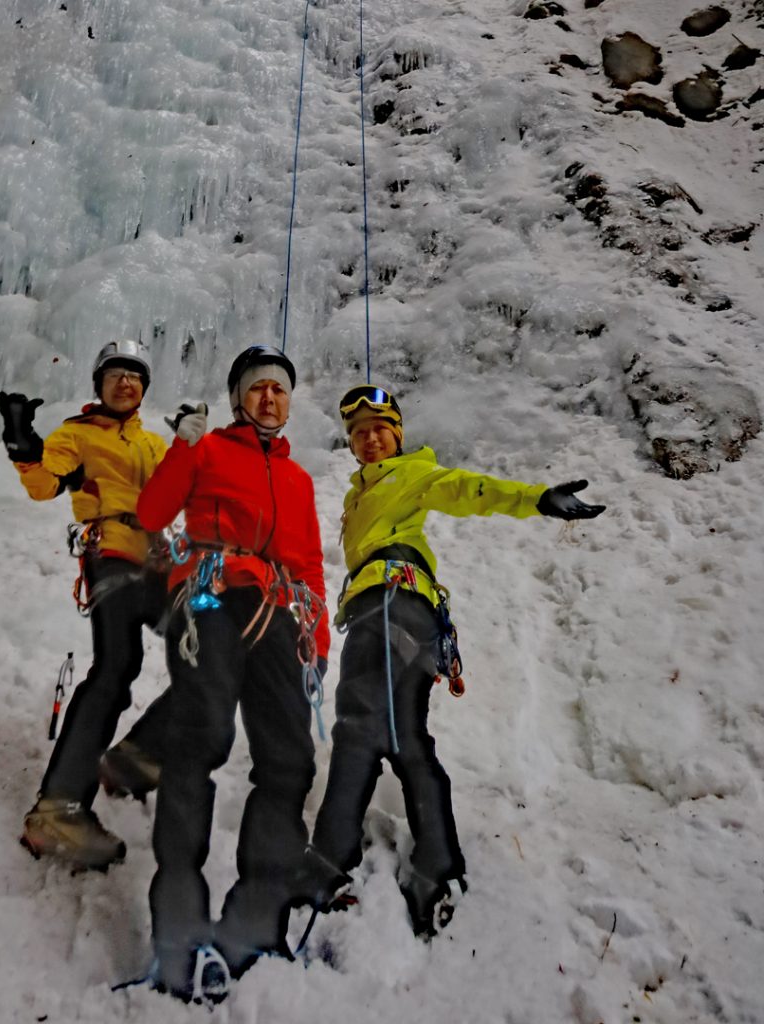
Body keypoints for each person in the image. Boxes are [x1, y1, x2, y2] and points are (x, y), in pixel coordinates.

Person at [307, 384, 606, 938]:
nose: (371, 439)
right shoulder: (359, 494)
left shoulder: (413, 474)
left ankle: (334, 862)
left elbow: (468, 488)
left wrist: (535, 497)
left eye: (380, 429)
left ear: (398, 435)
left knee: (361, 731)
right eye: (359, 433)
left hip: (392, 606)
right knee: (399, 738)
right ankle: (435, 870)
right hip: (398, 614)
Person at [135, 344, 330, 1001]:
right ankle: (178, 932)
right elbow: (152, 514)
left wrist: (317, 641)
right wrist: (183, 448)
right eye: (257, 389)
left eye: (279, 389)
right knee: (202, 738)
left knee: (288, 761)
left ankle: (252, 927)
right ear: (238, 398)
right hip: (212, 591)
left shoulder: (298, 480)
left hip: (279, 612)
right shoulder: (211, 450)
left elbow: (308, 566)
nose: (269, 398)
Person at [0, 339, 170, 871]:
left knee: (215, 650)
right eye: (115, 374)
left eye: (134, 376)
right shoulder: (77, 435)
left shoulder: (154, 444)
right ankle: (59, 808)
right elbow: (47, 483)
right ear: (99, 385)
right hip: (112, 554)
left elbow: (187, 490)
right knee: (117, 664)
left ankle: (137, 757)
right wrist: (24, 446)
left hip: (161, 562)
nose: (125, 383)